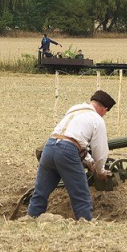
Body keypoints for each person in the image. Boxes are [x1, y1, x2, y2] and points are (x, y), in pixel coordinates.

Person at [27, 90, 116, 221]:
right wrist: (100, 171)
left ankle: (31, 218)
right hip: (67, 152)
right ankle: (85, 222)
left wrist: (88, 161)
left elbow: (72, 138)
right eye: (106, 112)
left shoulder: (74, 109)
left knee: (40, 192)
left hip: (49, 147)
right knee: (80, 193)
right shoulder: (97, 119)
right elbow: (100, 151)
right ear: (104, 109)